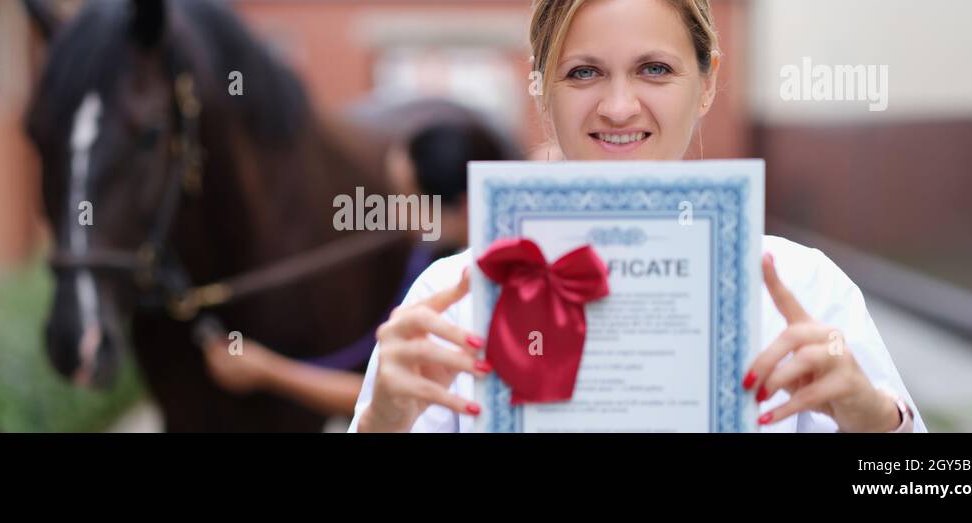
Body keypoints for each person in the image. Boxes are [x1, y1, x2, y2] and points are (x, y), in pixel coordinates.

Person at [351, 0, 926, 433]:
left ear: (706, 84)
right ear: (538, 88)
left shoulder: (804, 288)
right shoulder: (452, 296)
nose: (619, 106)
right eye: (582, 72)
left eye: (654, 69)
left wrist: (873, 419)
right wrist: (386, 420)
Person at [200, 117, 513, 418]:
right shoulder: (432, 258)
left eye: (409, 199)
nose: (396, 213)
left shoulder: (461, 290)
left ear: (462, 205)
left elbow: (381, 395)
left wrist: (268, 372)